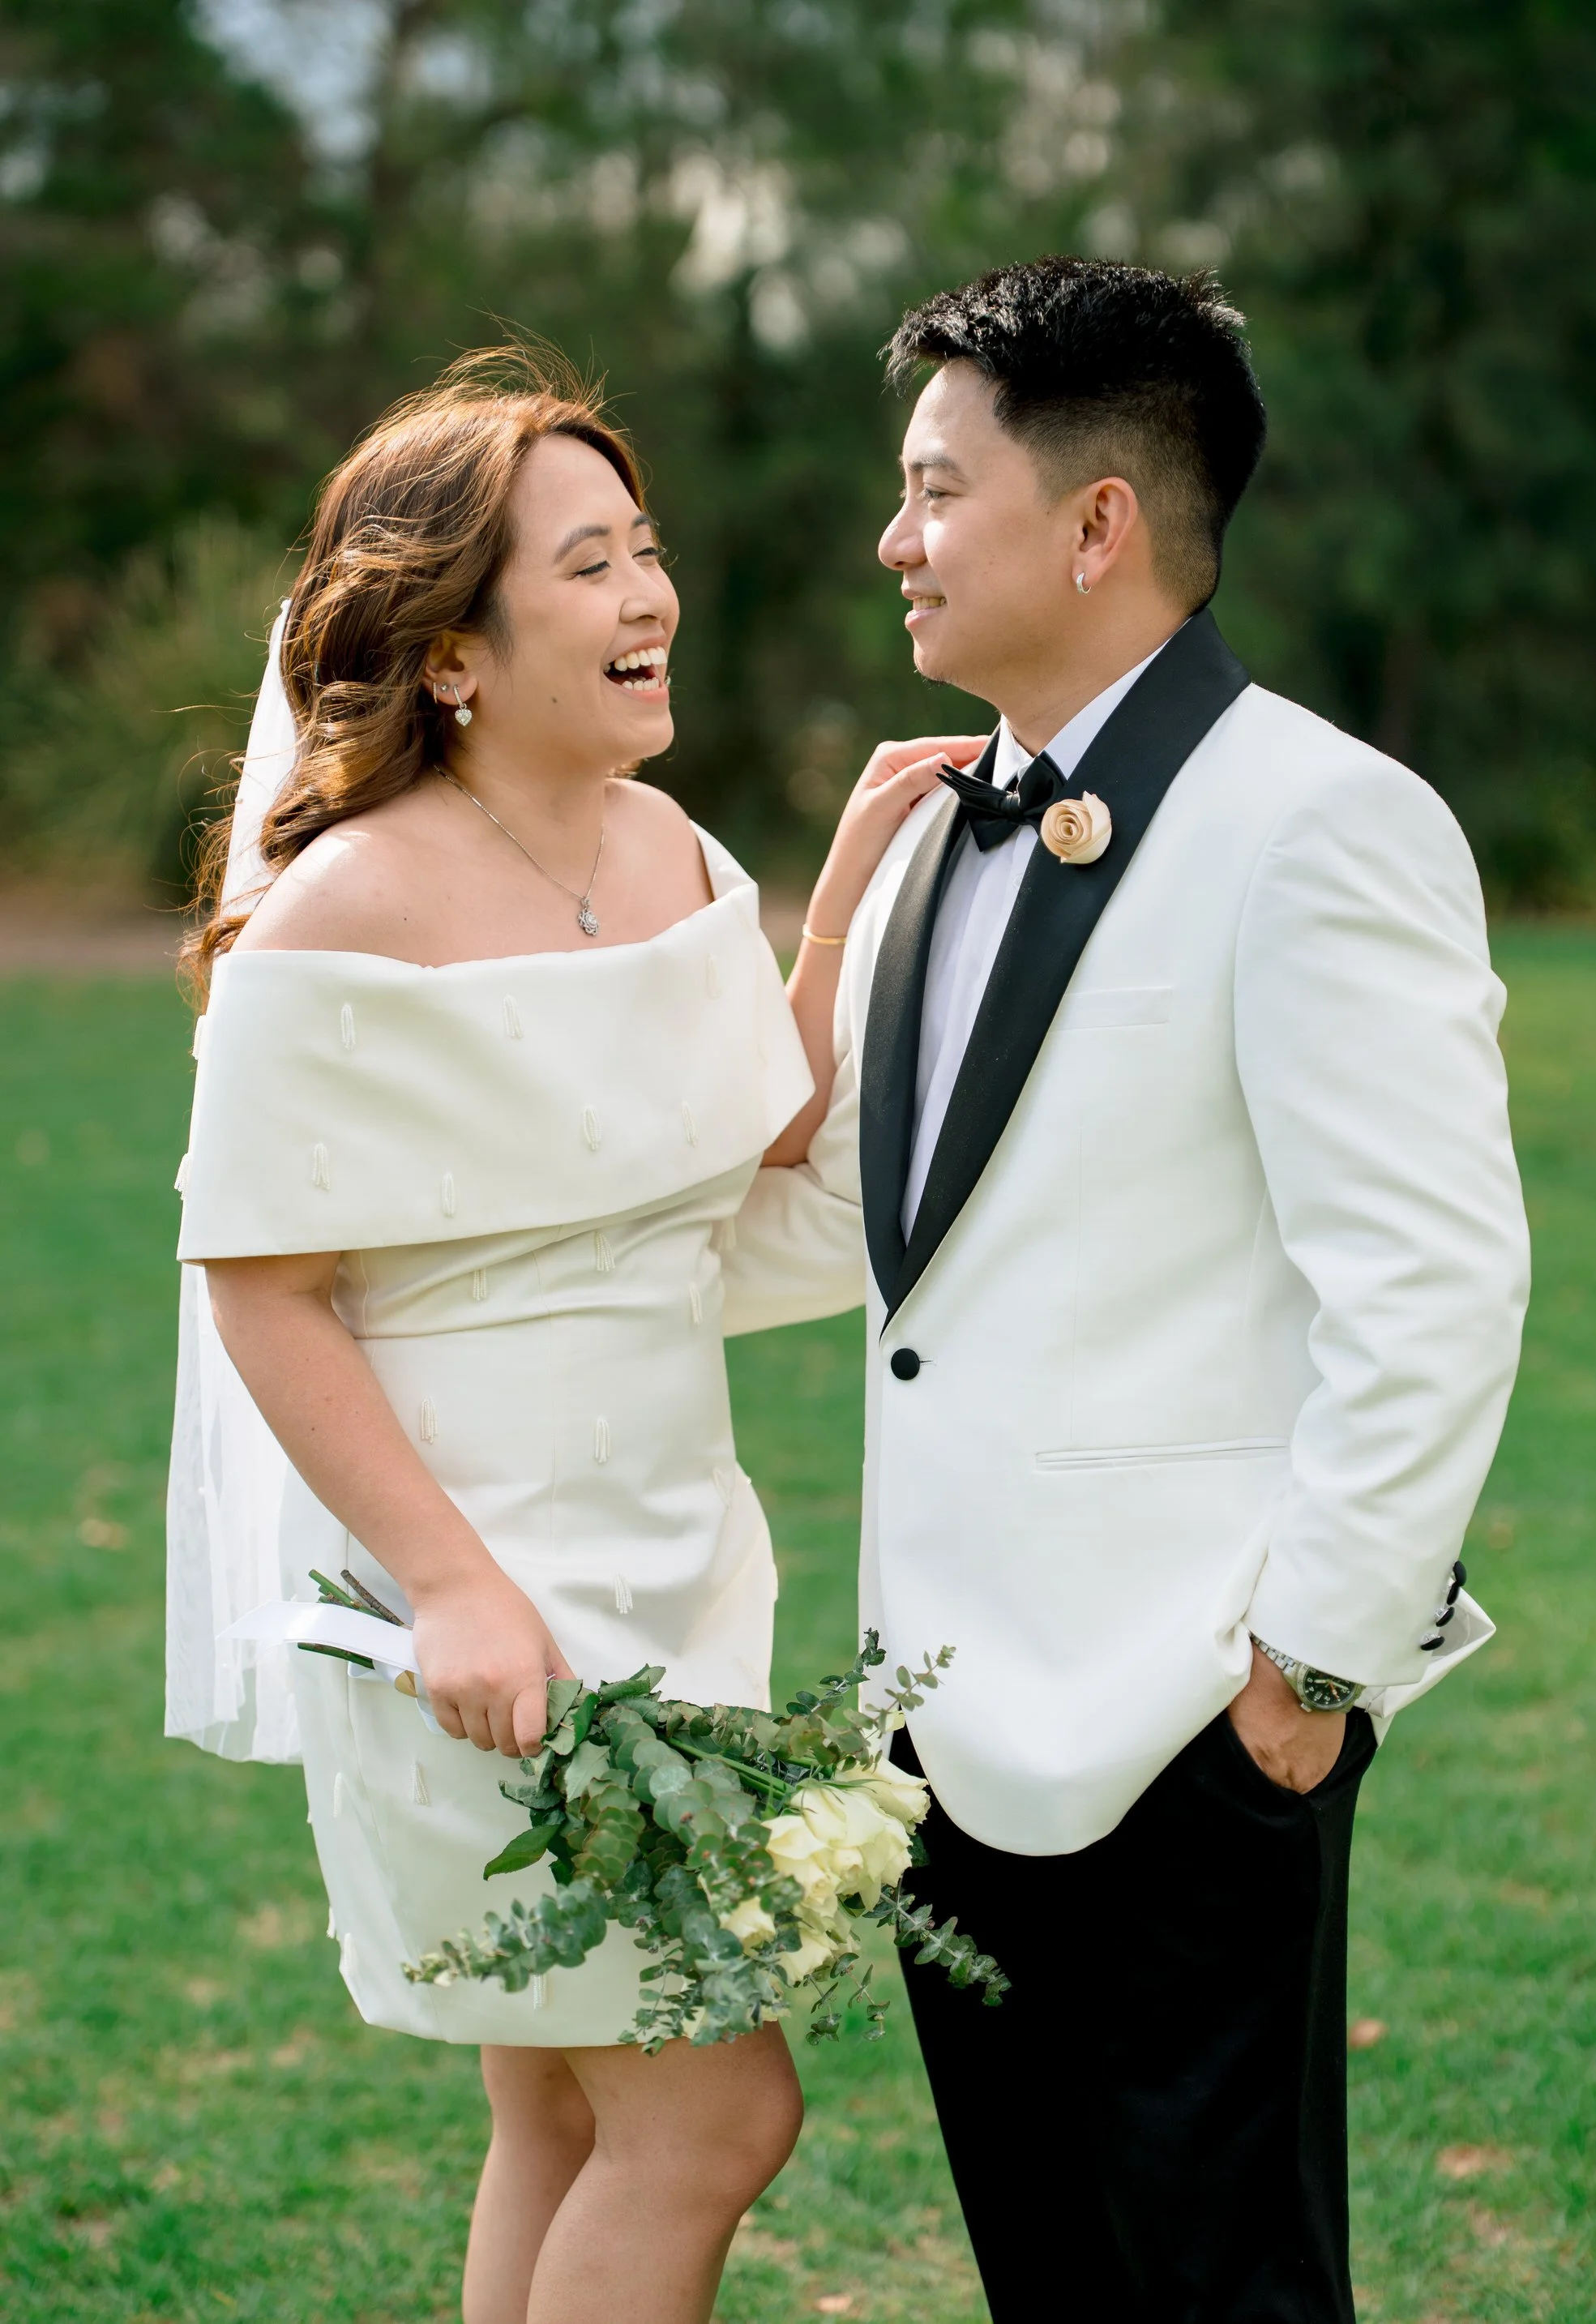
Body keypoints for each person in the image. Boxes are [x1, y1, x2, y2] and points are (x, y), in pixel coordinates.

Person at [726, 259, 1531, 2321]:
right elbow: (858, 1231)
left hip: (1195, 1717)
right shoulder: (925, 838)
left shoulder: (1324, 819)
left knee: (1221, 2286)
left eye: (935, 490)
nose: (893, 537)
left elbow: (1429, 1283)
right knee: (1054, 2280)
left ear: (1096, 522)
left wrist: (1306, 1674)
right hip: (935, 1717)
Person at [164, 346, 982, 2324]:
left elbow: (746, 1132)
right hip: (475, 1596)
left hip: (674, 1553)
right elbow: (261, 1282)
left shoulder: (666, 842)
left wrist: (834, 906)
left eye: (645, 547)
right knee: (711, 2118)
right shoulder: (342, 909)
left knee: (558, 2108)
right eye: (588, 563)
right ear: (451, 649)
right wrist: (454, 1586)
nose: (647, 595)